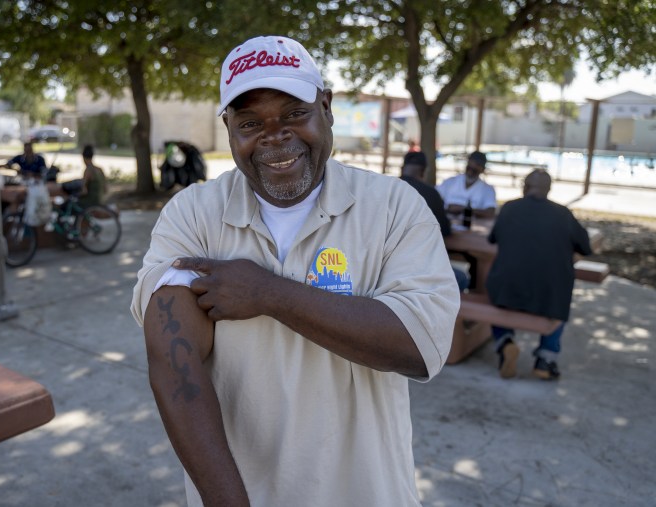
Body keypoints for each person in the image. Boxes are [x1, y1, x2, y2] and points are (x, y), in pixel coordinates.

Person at [131, 35, 459, 506]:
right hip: (241, 490)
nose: (274, 135)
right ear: (228, 128)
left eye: (293, 114)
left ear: (326, 107)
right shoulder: (194, 214)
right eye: (249, 122)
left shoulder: (393, 207)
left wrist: (270, 294)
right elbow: (171, 358)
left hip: (366, 492)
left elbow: (419, 345)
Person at [486, 169, 591, 380]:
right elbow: (586, 247)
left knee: (496, 284)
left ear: (525, 186)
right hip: (550, 298)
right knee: (561, 290)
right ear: (549, 189)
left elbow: (492, 239)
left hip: (507, 292)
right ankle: (545, 358)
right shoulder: (563, 214)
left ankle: (505, 341)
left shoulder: (509, 208)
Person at [401, 151, 469, 291]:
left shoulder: (385, 189)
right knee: (461, 278)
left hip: (381, 265)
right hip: (416, 269)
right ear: (423, 171)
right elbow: (445, 230)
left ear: (403, 167)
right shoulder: (431, 193)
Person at [437, 150, 497, 219]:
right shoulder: (450, 182)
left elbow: (490, 213)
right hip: (444, 224)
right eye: (471, 162)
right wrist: (448, 208)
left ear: (482, 169)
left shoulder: (487, 189)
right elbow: (433, 199)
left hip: (473, 227)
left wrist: (464, 209)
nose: (472, 167)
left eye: (477, 165)